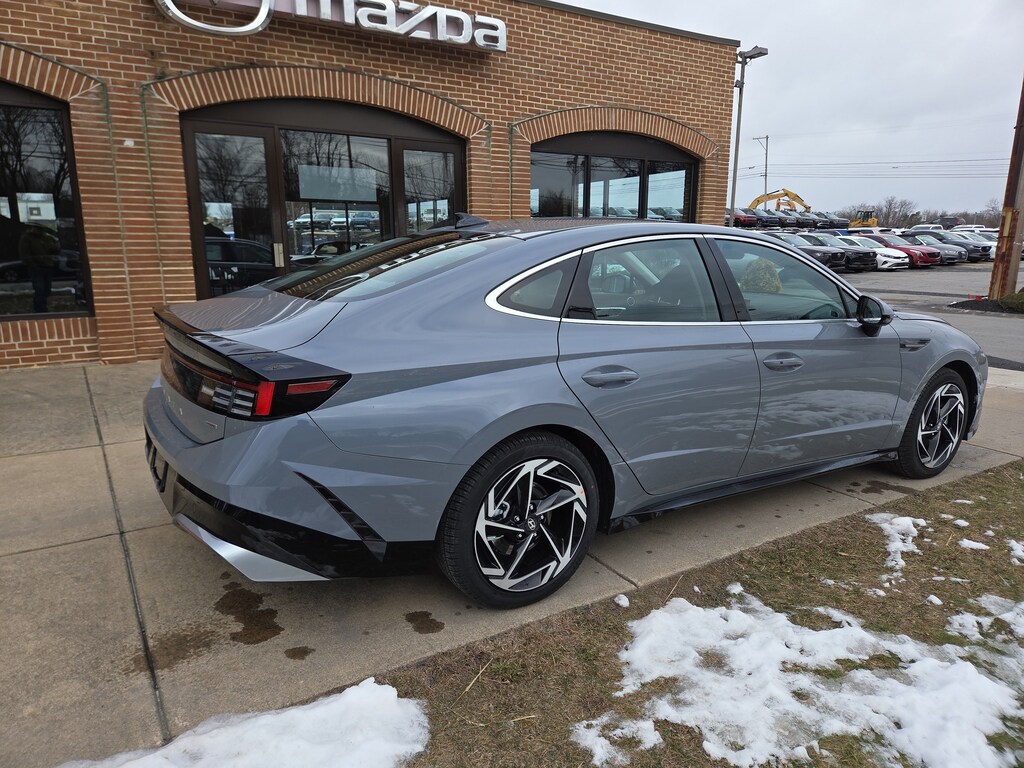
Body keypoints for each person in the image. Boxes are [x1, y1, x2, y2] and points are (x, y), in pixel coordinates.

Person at [19, 226, 60, 313]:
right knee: (39, 288)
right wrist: (32, 264)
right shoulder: (27, 238)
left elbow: (52, 251)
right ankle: (40, 310)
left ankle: (42, 306)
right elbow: (24, 254)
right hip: (36, 267)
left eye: (41, 229)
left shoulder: (46, 237)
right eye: (37, 229)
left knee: (47, 289)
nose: (40, 231)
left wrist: (55, 248)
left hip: (47, 266)